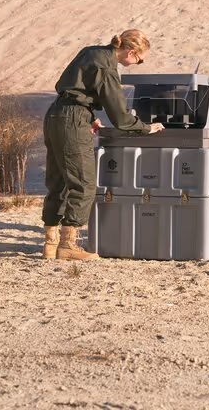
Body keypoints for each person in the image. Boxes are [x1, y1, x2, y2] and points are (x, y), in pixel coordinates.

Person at [41, 29, 165, 260]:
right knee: (84, 184)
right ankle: (68, 246)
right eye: (140, 59)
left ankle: (50, 244)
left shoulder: (92, 52)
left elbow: (75, 89)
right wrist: (146, 127)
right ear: (131, 51)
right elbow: (119, 116)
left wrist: (87, 113)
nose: (138, 63)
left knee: (58, 181)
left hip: (56, 114)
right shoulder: (107, 67)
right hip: (73, 119)